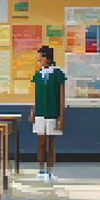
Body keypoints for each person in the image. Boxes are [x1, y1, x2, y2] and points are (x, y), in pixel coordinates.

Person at [30, 45, 66, 183]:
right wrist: (32, 112)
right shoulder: (38, 74)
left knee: (50, 143)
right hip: (39, 113)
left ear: (48, 58)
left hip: (52, 113)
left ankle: (49, 171)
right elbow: (36, 96)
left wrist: (61, 117)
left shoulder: (58, 73)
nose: (38, 61)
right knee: (40, 143)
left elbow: (62, 97)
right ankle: (40, 170)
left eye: (40, 59)